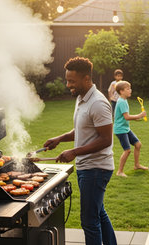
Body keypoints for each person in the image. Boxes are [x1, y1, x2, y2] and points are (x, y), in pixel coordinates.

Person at [43, 57, 117, 245]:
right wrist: (59, 139)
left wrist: (74, 152)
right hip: (88, 167)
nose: (68, 85)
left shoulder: (98, 103)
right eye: (67, 80)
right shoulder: (81, 98)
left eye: (72, 81)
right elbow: (82, 129)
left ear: (86, 79)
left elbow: (106, 139)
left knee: (89, 222)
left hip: (96, 169)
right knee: (98, 213)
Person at [113, 80, 148, 177]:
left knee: (138, 144)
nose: (130, 90)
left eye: (130, 88)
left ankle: (137, 165)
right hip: (120, 130)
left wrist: (136, 118)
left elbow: (124, 116)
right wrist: (139, 115)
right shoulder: (121, 102)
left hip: (125, 128)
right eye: (127, 89)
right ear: (121, 91)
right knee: (127, 150)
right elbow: (127, 117)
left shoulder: (124, 100)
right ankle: (119, 172)